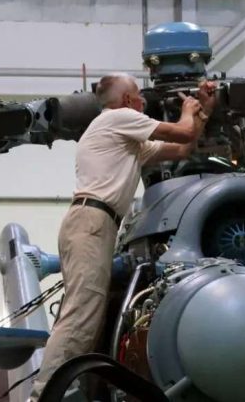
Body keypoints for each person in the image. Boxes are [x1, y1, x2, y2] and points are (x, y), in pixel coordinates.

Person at [30, 73, 216, 399]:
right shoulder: (118, 119)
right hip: (92, 222)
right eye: (141, 97)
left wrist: (204, 110)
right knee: (80, 316)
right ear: (129, 101)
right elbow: (184, 130)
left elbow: (183, 148)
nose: (144, 102)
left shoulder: (127, 141)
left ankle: (62, 391)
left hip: (94, 223)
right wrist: (188, 109)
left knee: (86, 317)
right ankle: (43, 395)